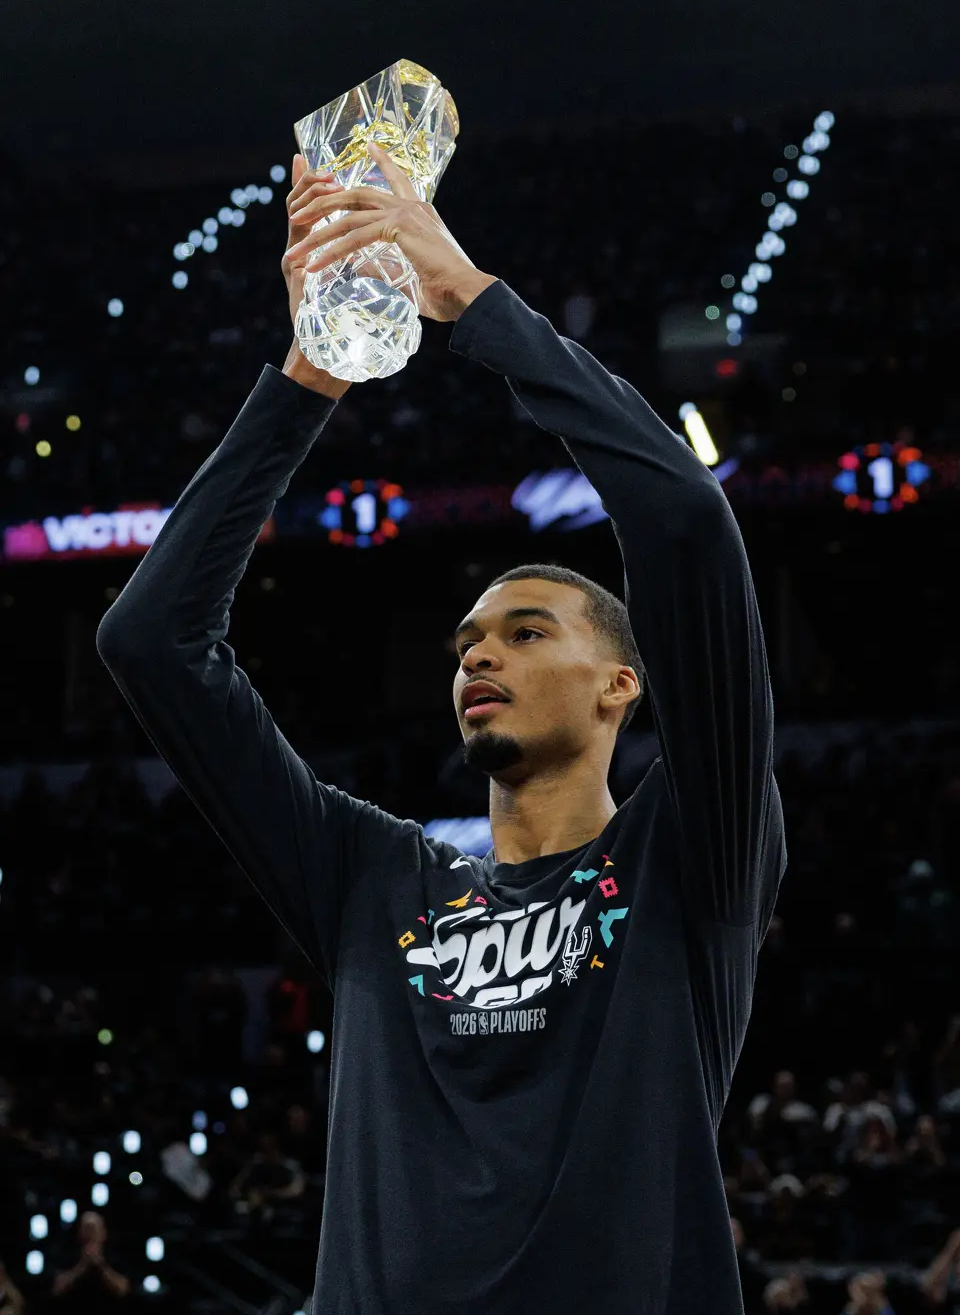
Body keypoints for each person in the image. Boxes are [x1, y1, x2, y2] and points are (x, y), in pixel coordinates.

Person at [97, 141, 786, 1313]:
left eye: (526, 631)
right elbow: (150, 638)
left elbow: (681, 515)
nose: (478, 654)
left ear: (623, 685)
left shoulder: (692, 850)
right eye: (467, 640)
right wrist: (309, 377)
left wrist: (471, 302)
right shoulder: (370, 879)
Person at [50, 1211, 131, 1309]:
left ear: (104, 1233)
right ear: (79, 1233)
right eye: (86, 1228)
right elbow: (57, 1289)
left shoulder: (114, 1257)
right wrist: (82, 1266)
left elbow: (124, 1289)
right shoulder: (67, 1255)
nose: (90, 1233)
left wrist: (101, 1265)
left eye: (93, 1228)